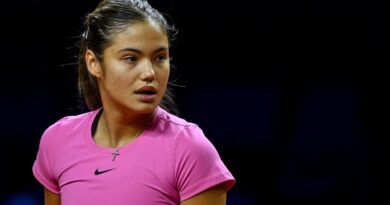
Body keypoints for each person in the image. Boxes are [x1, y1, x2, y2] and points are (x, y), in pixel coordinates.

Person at [32, 0, 235, 204]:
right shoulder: (57, 140)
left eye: (160, 58)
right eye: (130, 58)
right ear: (93, 63)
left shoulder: (192, 150)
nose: (149, 73)